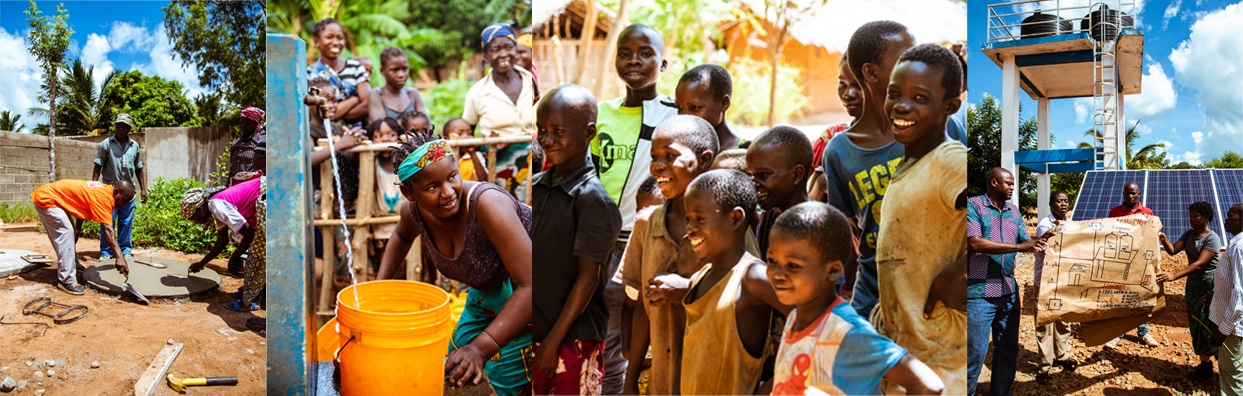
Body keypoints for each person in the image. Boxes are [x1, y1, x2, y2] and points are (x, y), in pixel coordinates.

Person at [376, 130, 533, 395]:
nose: (448, 192)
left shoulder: (487, 206)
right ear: (408, 192)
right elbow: (401, 236)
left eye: (452, 177)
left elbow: (531, 285)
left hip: (533, 297)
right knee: (454, 367)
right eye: (432, 187)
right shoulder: (413, 212)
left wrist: (481, 348)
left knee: (497, 377)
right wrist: (378, 292)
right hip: (486, 294)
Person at [768, 201, 944, 395]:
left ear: (833, 270)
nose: (777, 273)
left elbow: (928, 385)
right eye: (772, 261)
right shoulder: (794, 318)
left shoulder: (846, 331)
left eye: (792, 265)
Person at [874, 43, 969, 394]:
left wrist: (960, 272)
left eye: (920, 97)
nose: (901, 105)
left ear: (950, 107)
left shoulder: (950, 160)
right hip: (908, 359)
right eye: (894, 93)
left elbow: (996, 214)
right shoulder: (909, 168)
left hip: (942, 363)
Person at [592, 24, 678, 395]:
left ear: (663, 61)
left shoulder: (674, 117)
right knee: (609, 335)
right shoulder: (601, 114)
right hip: (604, 241)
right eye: (625, 53)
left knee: (654, 330)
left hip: (649, 237)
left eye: (645, 53)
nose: (634, 61)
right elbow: (592, 178)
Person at [531, 85, 623, 394]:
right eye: (541, 130)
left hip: (571, 339)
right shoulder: (540, 187)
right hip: (539, 330)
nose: (547, 140)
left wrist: (553, 342)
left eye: (558, 131)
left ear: (589, 133)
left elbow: (588, 279)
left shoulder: (592, 200)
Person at [618, 115, 719, 394]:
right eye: (654, 156)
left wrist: (689, 289)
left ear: (705, 160)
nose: (658, 166)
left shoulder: (725, 224)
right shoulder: (645, 224)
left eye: (670, 155)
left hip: (710, 376)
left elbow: (744, 288)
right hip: (660, 381)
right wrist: (630, 382)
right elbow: (641, 308)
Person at [821, 21, 915, 317]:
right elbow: (846, 234)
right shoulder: (838, 151)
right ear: (871, 73)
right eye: (905, 59)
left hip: (933, 298)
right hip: (873, 300)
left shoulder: (939, 128)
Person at [679, 169, 788, 394]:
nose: (690, 229)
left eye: (699, 219)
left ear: (735, 218)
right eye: (688, 219)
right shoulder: (702, 275)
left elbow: (814, 318)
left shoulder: (752, 277)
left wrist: (772, 385)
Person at [966, 168, 1045, 395]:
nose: (1012, 187)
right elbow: (975, 244)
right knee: (975, 354)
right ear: (993, 182)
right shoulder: (974, 206)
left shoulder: (1012, 211)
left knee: (1008, 349)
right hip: (979, 293)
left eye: (1013, 183)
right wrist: (1021, 247)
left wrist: (1041, 242)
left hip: (1009, 291)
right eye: (1008, 183)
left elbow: (1025, 240)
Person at [463, 23, 536, 200]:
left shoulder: (531, 81)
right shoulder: (477, 93)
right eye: (496, 49)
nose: (503, 54)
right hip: (498, 171)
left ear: (515, 49)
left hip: (533, 168)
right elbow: (467, 131)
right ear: (486, 56)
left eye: (508, 47)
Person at [1156, 201, 1222, 381]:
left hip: (1209, 286)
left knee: (1210, 323)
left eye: (1196, 216)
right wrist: (1164, 239)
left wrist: (1174, 276)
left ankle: (1223, 363)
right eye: (1191, 216)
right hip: (1193, 286)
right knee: (1196, 322)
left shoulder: (1212, 238)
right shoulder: (1189, 235)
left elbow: (1199, 263)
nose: (1192, 219)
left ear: (1207, 217)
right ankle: (1205, 364)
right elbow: (1172, 251)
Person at [31, 180, 134, 295]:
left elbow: (81, 204)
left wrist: (77, 229)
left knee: (70, 232)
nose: (123, 204)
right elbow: (108, 230)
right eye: (124, 199)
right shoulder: (104, 198)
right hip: (47, 199)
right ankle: (66, 280)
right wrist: (119, 256)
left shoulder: (105, 190)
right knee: (66, 233)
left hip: (55, 198)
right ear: (117, 192)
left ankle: (73, 264)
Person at [180, 177, 264, 311]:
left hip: (267, 194)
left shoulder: (217, 206)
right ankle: (254, 292)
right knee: (257, 251)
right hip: (263, 195)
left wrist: (235, 257)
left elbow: (248, 233)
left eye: (193, 218)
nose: (195, 222)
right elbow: (222, 241)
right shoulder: (215, 208)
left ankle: (253, 300)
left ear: (199, 209)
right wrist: (201, 263)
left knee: (258, 254)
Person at [1104, 181, 1160, 349]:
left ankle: (1143, 332)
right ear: (1123, 193)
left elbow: (1152, 236)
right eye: (1127, 193)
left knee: (1141, 297)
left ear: (1139, 194)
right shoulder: (1115, 212)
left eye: (1133, 193)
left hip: (1141, 262)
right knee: (1121, 297)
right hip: (1121, 261)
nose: (1130, 196)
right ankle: (1118, 333)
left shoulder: (1147, 213)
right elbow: (1108, 234)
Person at [746, 125, 812, 261]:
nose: (754, 184)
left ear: (796, 174)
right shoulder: (770, 216)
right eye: (752, 176)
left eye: (763, 175)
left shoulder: (814, 227)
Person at [1033, 191, 1078, 385]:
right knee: (1044, 323)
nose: (1063, 204)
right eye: (1059, 201)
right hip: (1045, 282)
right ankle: (1044, 365)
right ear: (1051, 204)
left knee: (1063, 320)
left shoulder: (1072, 223)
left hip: (1063, 282)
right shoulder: (1045, 225)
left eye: (1066, 201)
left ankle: (1062, 355)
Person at [92, 113, 147, 261]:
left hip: (128, 194)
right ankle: (106, 251)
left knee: (126, 222)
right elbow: (98, 166)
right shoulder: (105, 144)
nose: (121, 128)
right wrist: (94, 186)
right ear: (115, 126)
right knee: (107, 222)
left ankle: (125, 250)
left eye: (125, 126)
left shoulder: (134, 146)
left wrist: (143, 188)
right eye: (119, 125)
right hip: (109, 193)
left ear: (129, 128)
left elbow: (139, 168)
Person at [809, 55, 863, 203]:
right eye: (842, 84)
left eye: (858, 85)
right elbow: (807, 204)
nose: (848, 94)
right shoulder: (831, 138)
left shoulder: (902, 139)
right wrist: (819, 186)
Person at [306, 17, 370, 126]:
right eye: (329, 37)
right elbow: (318, 114)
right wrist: (354, 100)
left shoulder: (356, 68)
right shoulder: (309, 74)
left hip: (357, 134)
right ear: (316, 41)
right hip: (324, 136)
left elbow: (367, 105)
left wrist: (333, 114)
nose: (336, 42)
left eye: (340, 38)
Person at [366, 117, 407, 278]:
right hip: (380, 228)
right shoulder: (371, 162)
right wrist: (371, 157)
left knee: (405, 267)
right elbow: (370, 185)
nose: (384, 139)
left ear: (399, 137)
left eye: (391, 135)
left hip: (403, 224)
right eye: (378, 136)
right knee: (385, 265)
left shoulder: (404, 162)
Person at [1209, 203, 1243, 394]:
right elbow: (1232, 283)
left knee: (1232, 374)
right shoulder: (1236, 244)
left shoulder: (1239, 247)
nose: (1226, 218)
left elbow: (1240, 296)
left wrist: (1222, 330)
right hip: (1232, 324)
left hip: (1233, 328)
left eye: (1231, 215)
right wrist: (1214, 296)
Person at [675, 64, 740, 150]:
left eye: (695, 107)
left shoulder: (748, 153)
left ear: (724, 103)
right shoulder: (677, 150)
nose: (684, 116)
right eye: (679, 107)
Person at [368, 47, 427, 123]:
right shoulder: (377, 95)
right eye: (395, 70)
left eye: (405, 69)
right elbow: (382, 128)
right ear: (382, 71)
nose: (401, 75)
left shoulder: (412, 94)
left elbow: (426, 125)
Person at [444, 117, 489, 182]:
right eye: (459, 134)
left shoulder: (476, 156)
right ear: (446, 138)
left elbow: (484, 181)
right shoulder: (443, 157)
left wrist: (472, 153)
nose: (466, 136)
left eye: (470, 133)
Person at [229, 107, 267, 186]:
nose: (243, 126)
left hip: (252, 186)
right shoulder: (237, 142)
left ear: (256, 124)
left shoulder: (261, 141)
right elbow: (232, 167)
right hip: (235, 185)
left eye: (247, 124)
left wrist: (254, 174)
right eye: (241, 123)